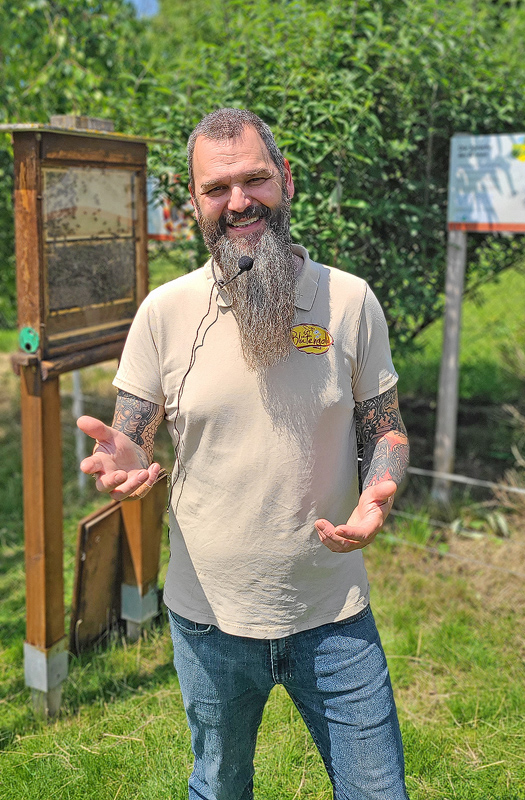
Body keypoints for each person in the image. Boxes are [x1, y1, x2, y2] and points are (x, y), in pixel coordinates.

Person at [77, 108, 410, 800]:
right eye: (217, 188)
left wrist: (382, 485)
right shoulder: (164, 313)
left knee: (378, 792)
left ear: (285, 180)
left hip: (334, 613)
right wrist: (126, 458)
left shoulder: (349, 301)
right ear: (191, 202)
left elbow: (385, 428)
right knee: (219, 786)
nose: (239, 202)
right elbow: (131, 433)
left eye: (255, 179)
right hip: (209, 620)